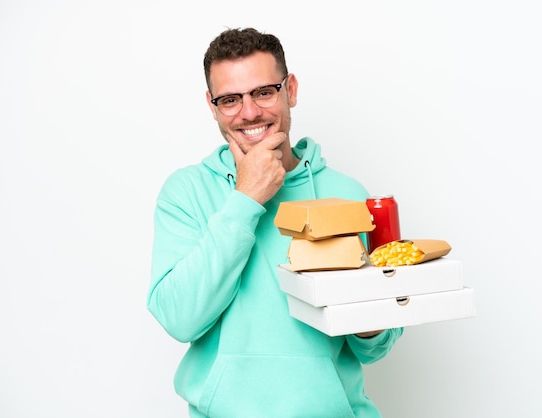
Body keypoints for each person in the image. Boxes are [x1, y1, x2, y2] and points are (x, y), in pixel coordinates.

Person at [147, 27, 403, 418]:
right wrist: (246, 198)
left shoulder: (348, 194)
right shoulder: (186, 192)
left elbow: (374, 347)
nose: (249, 112)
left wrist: (369, 319)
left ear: (291, 90)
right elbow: (180, 320)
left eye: (263, 92)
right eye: (230, 99)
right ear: (212, 106)